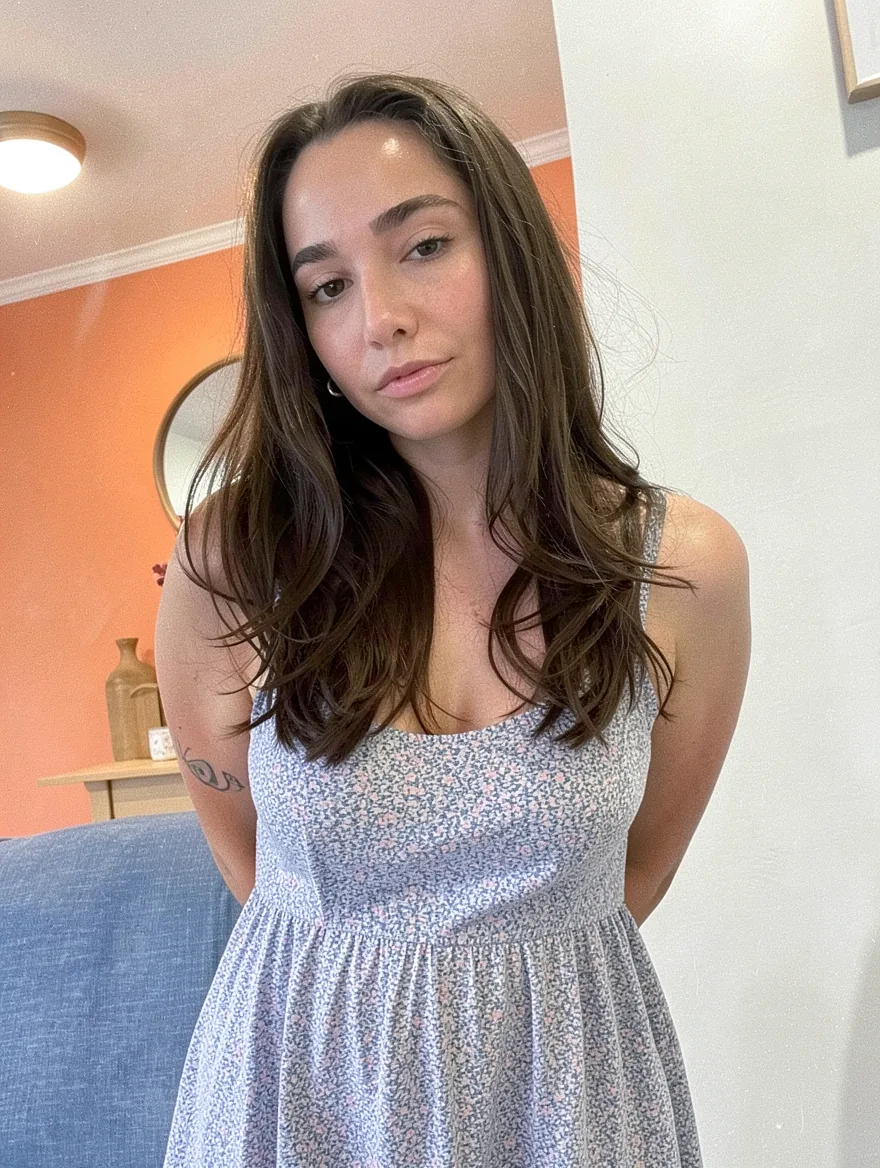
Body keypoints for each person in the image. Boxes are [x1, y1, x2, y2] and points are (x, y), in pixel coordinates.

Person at [156, 70, 750, 1167]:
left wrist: (489, 1004)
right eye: (326, 286)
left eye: (423, 245)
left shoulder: (679, 570)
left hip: (566, 1102)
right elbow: (249, 855)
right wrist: (377, 987)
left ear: (508, 250)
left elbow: (636, 871)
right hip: (299, 1090)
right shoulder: (234, 564)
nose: (380, 318)